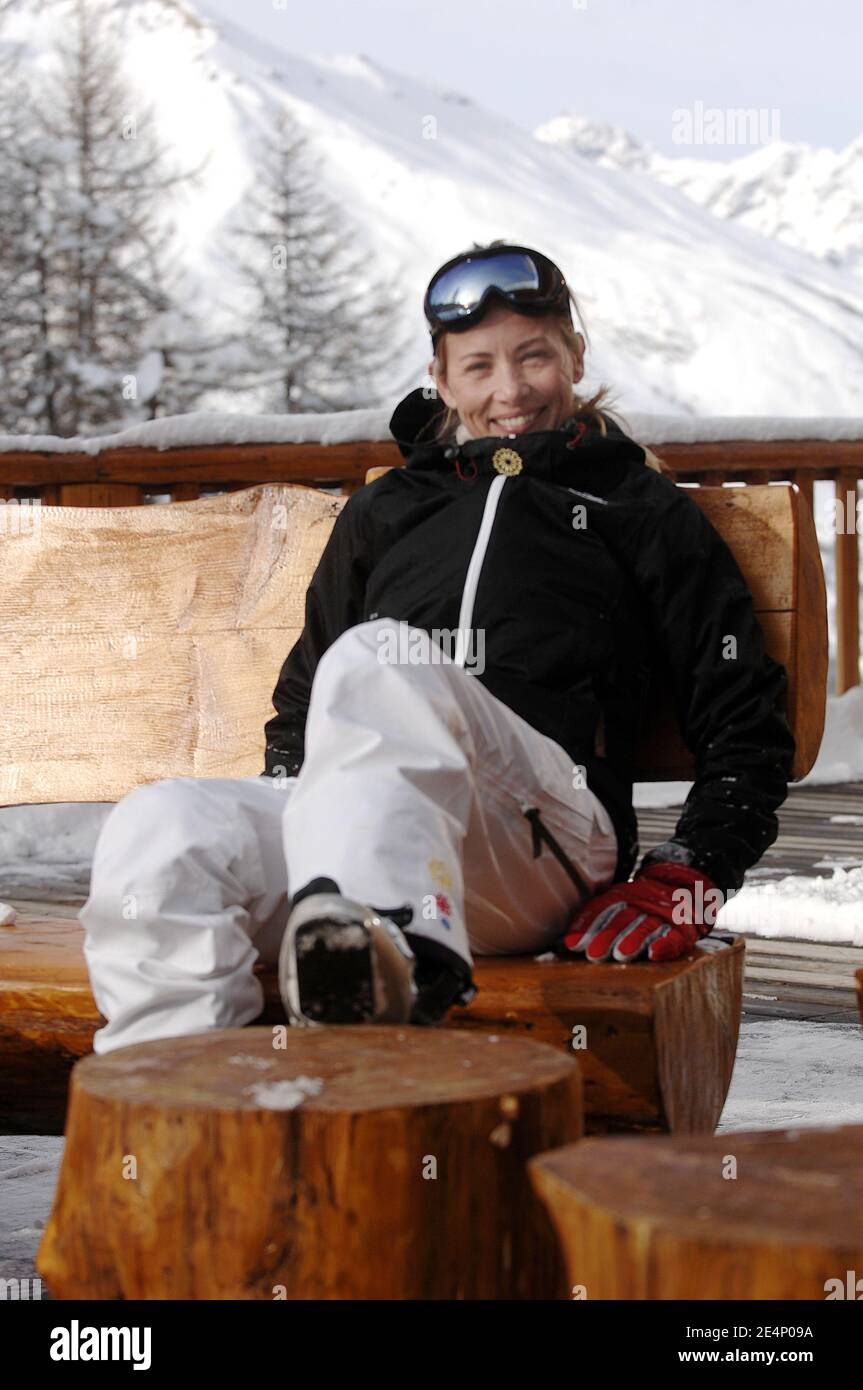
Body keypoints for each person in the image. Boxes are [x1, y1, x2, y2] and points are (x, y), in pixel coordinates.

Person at [80, 240, 796, 1052]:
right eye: (480, 366)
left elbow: (741, 716)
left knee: (384, 660)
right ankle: (184, 1112)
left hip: (536, 839)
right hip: (361, 840)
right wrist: (290, 806)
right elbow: (305, 698)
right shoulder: (389, 509)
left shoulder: (636, 506)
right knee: (165, 825)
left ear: (574, 356)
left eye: (534, 357)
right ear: (443, 378)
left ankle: (394, 962)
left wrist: (687, 874)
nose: (511, 390)